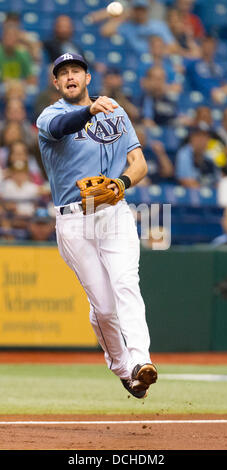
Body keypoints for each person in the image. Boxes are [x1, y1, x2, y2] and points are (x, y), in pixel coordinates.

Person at [36, 52, 157, 399]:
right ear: (56, 83)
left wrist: (121, 183)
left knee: (125, 284)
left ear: (88, 78)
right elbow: (62, 128)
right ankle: (122, 367)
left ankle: (141, 362)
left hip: (114, 211)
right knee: (103, 307)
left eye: (77, 70)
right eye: (64, 73)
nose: (70, 76)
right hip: (73, 220)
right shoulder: (51, 116)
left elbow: (138, 162)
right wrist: (88, 111)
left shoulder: (114, 110)